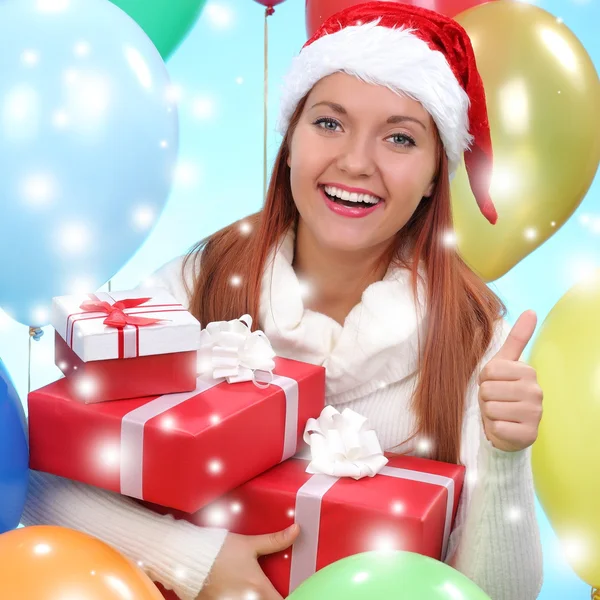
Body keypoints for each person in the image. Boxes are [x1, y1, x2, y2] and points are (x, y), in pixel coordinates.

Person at [21, 2, 544, 599]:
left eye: (400, 138)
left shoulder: (477, 341)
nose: (355, 161)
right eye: (329, 123)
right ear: (289, 141)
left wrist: (507, 457)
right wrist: (195, 559)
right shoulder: (196, 287)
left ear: (434, 174)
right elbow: (40, 484)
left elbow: (503, 595)